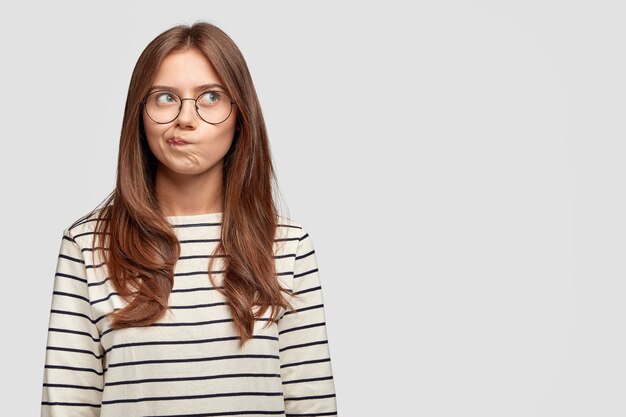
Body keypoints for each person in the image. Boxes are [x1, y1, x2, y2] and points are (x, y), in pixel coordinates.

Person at [40, 21, 338, 417]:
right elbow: (67, 408)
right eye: (165, 97)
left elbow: (312, 407)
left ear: (240, 115)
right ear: (139, 113)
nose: (185, 118)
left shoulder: (287, 246)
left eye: (210, 97)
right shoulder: (88, 245)